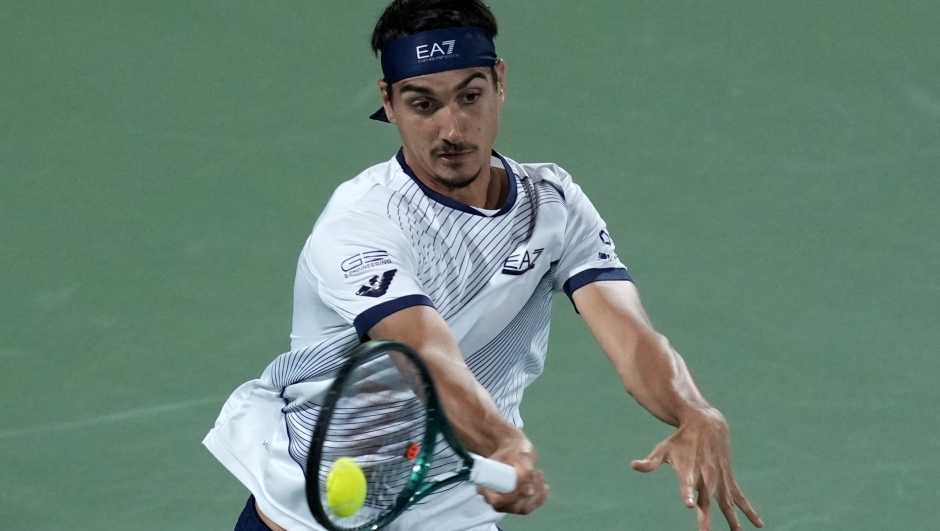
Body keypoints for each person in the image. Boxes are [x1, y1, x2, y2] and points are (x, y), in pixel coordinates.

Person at [204, 1, 764, 530]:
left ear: (499, 81)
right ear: (389, 100)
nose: (451, 129)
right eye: (422, 104)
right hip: (316, 500)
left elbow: (634, 338)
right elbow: (425, 354)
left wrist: (694, 411)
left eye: (469, 97)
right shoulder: (360, 223)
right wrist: (500, 442)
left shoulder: (553, 203)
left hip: (451, 496)